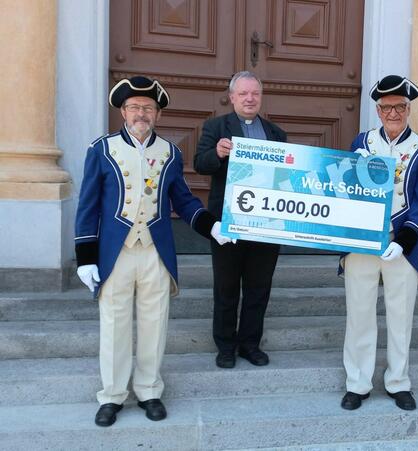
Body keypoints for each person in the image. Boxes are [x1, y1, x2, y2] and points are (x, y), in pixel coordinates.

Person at [75, 76, 217, 427]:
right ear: (123, 111)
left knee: (155, 324)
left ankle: (149, 390)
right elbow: (88, 205)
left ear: (158, 114)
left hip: (155, 251)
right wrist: (85, 257)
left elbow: (182, 200)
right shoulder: (102, 149)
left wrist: (210, 225)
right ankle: (112, 395)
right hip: (115, 252)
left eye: (149, 108)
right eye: (135, 107)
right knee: (114, 325)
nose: (142, 113)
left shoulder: (170, 152)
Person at [340, 75, 418, 411]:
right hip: (362, 244)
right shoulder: (361, 142)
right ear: (378, 112)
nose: (392, 113)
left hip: (401, 248)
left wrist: (405, 240)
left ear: (408, 109)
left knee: (400, 316)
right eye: (386, 108)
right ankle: (358, 383)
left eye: (399, 107)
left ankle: (398, 382)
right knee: (360, 314)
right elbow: (347, 188)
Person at [194, 71, 287, 369]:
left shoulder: (276, 134)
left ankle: (250, 344)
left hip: (267, 223)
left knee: (259, 286)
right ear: (232, 97)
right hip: (228, 223)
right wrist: (217, 154)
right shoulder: (215, 127)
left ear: (261, 97)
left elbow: (287, 176)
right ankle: (225, 345)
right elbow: (199, 164)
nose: (249, 99)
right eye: (243, 94)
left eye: (255, 94)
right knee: (226, 286)